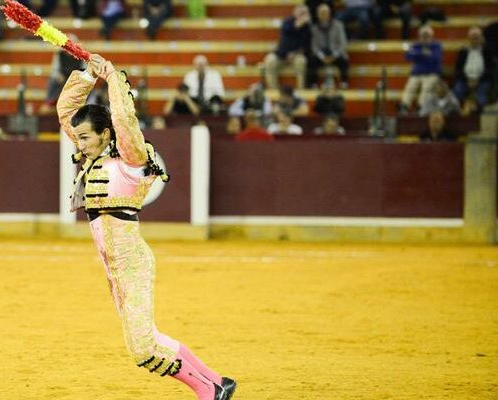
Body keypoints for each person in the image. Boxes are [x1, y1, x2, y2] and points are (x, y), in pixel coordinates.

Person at [56, 52, 236, 400]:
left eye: (85, 138)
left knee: (142, 349)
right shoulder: (94, 156)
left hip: (132, 263)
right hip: (114, 267)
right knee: (146, 338)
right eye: (77, 138)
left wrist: (111, 78)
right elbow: (66, 112)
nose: (78, 143)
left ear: (106, 134)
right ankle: (219, 382)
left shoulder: (131, 160)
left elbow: (124, 120)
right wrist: (87, 73)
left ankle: (209, 391)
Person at [264, 5, 311, 90]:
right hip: (281, 54)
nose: (303, 15)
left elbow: (306, 46)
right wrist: (300, 23)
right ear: (295, 13)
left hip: (296, 55)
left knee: (302, 61)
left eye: (305, 13)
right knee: (269, 61)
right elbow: (288, 31)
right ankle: (274, 90)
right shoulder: (287, 22)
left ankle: (300, 91)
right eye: (301, 13)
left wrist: (295, 53)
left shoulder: (307, 28)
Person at [399, 25, 442, 115]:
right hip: (417, 74)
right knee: (410, 87)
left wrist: (418, 55)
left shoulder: (436, 45)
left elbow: (436, 58)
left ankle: (420, 107)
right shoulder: (416, 45)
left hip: (431, 74)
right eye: (423, 36)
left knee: (426, 88)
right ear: (419, 36)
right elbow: (408, 56)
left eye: (427, 36)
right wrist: (423, 53)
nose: (425, 38)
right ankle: (404, 106)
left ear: (431, 36)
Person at [42, 35, 88, 112]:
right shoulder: (59, 54)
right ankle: (49, 102)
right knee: (53, 81)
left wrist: (77, 79)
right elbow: (54, 70)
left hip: (76, 79)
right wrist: (58, 76)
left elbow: (85, 70)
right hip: (62, 79)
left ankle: (83, 105)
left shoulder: (81, 55)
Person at [453, 27, 495, 111]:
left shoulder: (487, 51)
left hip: (483, 79)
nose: (474, 40)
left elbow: (491, 70)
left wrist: (478, 80)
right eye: (472, 38)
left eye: (477, 37)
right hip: (465, 80)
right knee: (457, 92)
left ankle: (481, 119)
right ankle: (460, 117)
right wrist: (467, 80)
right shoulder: (463, 52)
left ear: (481, 38)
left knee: (481, 97)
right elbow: (458, 69)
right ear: (469, 39)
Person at [308, 4, 349, 88]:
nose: (323, 15)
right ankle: (313, 84)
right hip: (321, 54)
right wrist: (322, 57)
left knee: (344, 60)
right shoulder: (314, 28)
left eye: (325, 12)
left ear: (329, 13)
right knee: (311, 61)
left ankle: (344, 82)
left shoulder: (338, 25)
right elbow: (314, 46)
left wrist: (334, 55)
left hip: (335, 53)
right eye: (321, 13)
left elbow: (343, 43)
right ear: (318, 15)